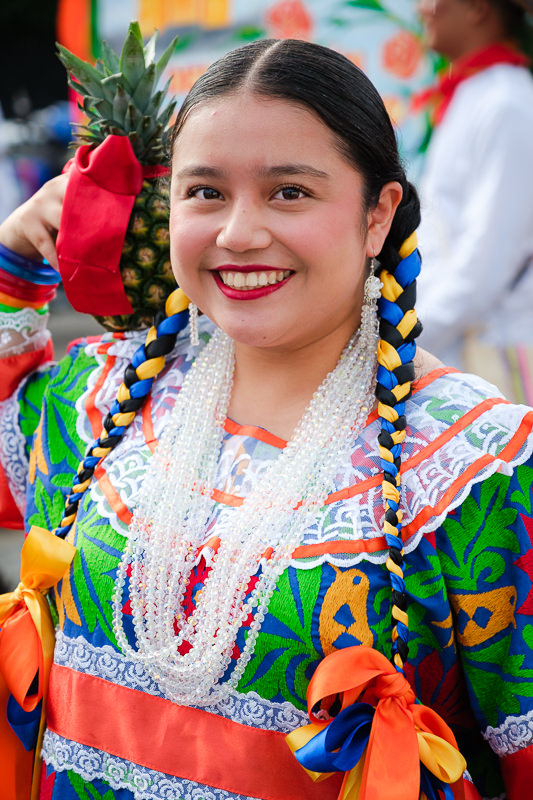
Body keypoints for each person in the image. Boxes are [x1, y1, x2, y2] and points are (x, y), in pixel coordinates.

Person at [0, 37, 532, 800]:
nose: (237, 233)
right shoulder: (101, 396)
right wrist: (15, 265)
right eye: (204, 192)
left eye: (288, 192)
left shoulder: (471, 463)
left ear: (377, 215)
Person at [414, 0, 533, 401]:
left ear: (479, 8)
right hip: (461, 340)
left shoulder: (507, 101)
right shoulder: (479, 94)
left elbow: (491, 254)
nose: (423, 9)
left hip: (496, 349)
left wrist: (413, 333)